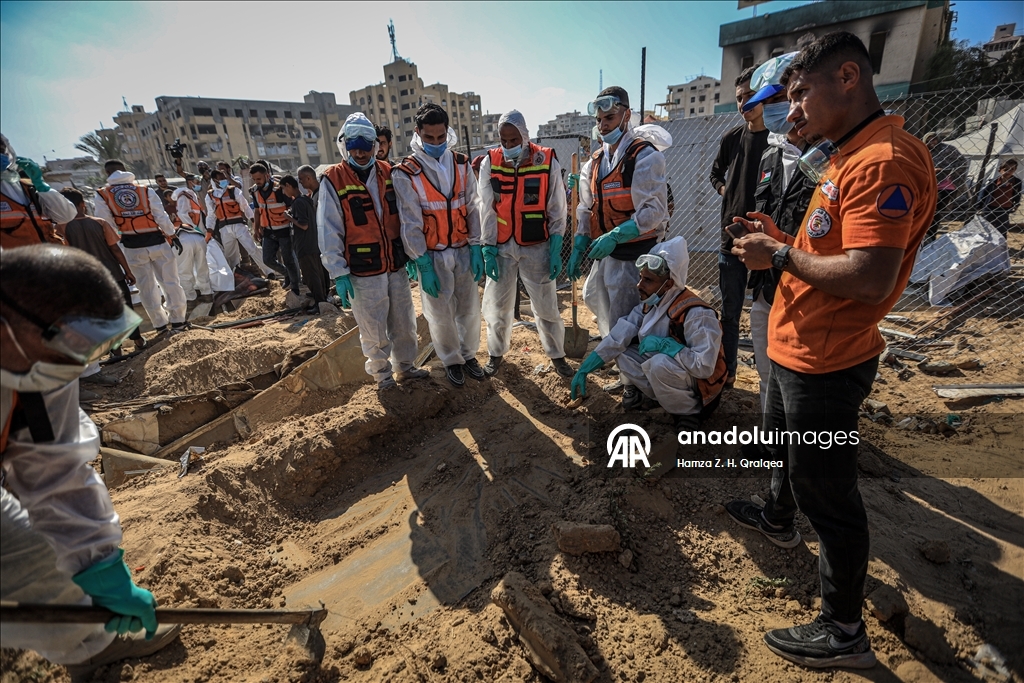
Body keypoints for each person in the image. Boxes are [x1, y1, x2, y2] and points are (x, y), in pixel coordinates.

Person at [727, 32, 937, 669]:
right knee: (785, 457)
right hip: (797, 347)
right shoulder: (848, 155)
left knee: (829, 492)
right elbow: (835, 250)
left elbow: (872, 275)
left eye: (800, 94)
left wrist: (781, 255)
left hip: (828, 360)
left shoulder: (882, 161)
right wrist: (783, 237)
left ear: (848, 78)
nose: (791, 111)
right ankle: (776, 515)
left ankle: (843, 629)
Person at [1, 245, 180, 677]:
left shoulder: (45, 358)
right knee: (14, 544)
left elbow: (54, 463)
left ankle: (87, 643)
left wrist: (97, 565)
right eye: (71, 345)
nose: (76, 361)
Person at [568, 86, 669, 400]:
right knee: (598, 302)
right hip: (610, 253)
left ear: (626, 115)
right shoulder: (596, 161)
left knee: (627, 319)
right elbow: (586, 208)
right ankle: (626, 368)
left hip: (635, 255)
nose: (603, 125)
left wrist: (614, 236)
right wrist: (578, 245)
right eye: (599, 120)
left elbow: (653, 212)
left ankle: (636, 387)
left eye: (609, 117)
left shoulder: (644, 155)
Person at [319, 113, 428, 389]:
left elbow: (404, 215)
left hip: (394, 263)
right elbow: (329, 229)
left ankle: (405, 367)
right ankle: (382, 376)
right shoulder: (333, 179)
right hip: (361, 270)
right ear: (344, 145)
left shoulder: (388, 172)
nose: (360, 151)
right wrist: (338, 273)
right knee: (373, 328)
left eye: (366, 145)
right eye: (354, 145)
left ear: (374, 145)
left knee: (404, 322)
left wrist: (412, 254)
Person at [569, 236, 726, 425]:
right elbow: (617, 338)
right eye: (641, 277)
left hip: (703, 389)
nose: (639, 285)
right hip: (676, 374)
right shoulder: (652, 304)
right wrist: (584, 370)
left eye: (648, 280)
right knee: (623, 353)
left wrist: (668, 347)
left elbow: (704, 367)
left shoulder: (696, 313)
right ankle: (664, 399)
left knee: (659, 364)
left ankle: (688, 413)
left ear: (668, 284)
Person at [738, 52, 816, 413]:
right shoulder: (771, 156)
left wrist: (777, 246)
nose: (770, 110)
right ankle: (772, 437)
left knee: (801, 382)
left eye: (775, 100)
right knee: (767, 371)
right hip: (768, 287)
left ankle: (793, 448)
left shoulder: (831, 159)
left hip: (808, 292)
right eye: (764, 102)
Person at [393, 103, 485, 387]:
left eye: (440, 137)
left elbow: (473, 206)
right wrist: (421, 261)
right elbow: (410, 221)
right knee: (440, 314)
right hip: (432, 255)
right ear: (418, 133)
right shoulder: (406, 172)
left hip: (461, 248)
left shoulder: (460, 163)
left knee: (469, 308)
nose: (435, 143)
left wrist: (477, 245)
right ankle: (452, 360)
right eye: (429, 138)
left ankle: (469, 354)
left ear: (447, 132)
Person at [477, 110, 572, 378]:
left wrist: (555, 247)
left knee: (546, 306)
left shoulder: (546, 159)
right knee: (497, 305)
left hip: (537, 245)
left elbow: (556, 206)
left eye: (513, 140)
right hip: (503, 246)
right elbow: (486, 207)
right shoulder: (490, 162)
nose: (508, 146)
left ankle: (557, 355)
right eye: (503, 140)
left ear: (524, 136)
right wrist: (487, 247)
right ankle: (496, 355)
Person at [708, 67, 770, 388]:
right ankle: (729, 372)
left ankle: (768, 380)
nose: (744, 102)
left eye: (750, 96)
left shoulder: (776, 144)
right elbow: (715, 174)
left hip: (764, 242)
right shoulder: (731, 139)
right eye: (739, 98)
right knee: (730, 313)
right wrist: (726, 191)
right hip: (730, 238)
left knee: (764, 312)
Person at [93, 160, 189, 334]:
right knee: (171, 282)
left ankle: (160, 326)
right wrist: (172, 234)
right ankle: (178, 322)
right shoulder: (145, 190)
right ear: (125, 170)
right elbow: (160, 216)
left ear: (108, 174)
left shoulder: (102, 195)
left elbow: (106, 223)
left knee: (146, 287)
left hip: (132, 246)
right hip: (157, 242)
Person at [59, 188, 147, 352]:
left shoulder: (62, 229)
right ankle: (138, 340)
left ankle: (115, 348)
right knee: (125, 307)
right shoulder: (100, 222)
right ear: (83, 204)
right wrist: (127, 271)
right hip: (113, 273)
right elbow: (115, 250)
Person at [0, 134, 77, 248]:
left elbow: (65, 216)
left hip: (55, 259)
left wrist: (41, 185)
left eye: (1, 150)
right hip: (19, 264)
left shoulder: (29, 186)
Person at [205, 169, 271, 277]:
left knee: (252, 248)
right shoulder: (210, 196)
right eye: (220, 179)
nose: (223, 181)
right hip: (224, 228)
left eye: (224, 178)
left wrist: (254, 222)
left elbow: (245, 207)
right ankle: (235, 276)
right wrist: (209, 230)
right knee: (230, 255)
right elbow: (211, 215)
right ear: (214, 180)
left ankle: (269, 272)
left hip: (239, 225)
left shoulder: (233, 191)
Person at [250, 162, 301, 295]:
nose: (257, 182)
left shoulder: (279, 190)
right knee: (267, 259)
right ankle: (287, 274)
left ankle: (295, 286)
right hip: (268, 230)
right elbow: (257, 211)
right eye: (254, 179)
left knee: (288, 258)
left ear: (267, 175)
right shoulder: (255, 191)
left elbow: (293, 205)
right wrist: (256, 228)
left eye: (259, 179)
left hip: (284, 229)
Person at [280, 174, 327, 308]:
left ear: (289, 185)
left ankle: (319, 303)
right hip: (311, 243)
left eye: (284, 189)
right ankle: (321, 299)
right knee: (315, 274)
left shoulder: (299, 202)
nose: (284, 192)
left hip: (305, 245)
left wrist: (289, 218)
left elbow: (304, 225)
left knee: (311, 275)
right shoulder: (304, 200)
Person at [171, 177, 212, 303]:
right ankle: (207, 294)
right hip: (199, 238)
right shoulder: (195, 202)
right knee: (202, 268)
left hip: (183, 237)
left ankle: (191, 298)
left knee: (184, 271)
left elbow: (183, 217)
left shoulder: (181, 201)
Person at [922, 132, 967, 241]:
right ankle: (922, 235)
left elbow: (962, 163)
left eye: (934, 139)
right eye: (929, 139)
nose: (932, 142)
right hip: (927, 184)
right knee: (924, 210)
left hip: (946, 185)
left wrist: (946, 170)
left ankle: (930, 238)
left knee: (935, 211)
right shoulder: (922, 150)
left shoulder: (948, 150)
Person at [978, 158, 1021, 236]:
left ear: (1015, 170)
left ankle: (1001, 246)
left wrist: (1016, 204)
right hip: (990, 207)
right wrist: (980, 205)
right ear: (1000, 170)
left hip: (1004, 209)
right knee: (986, 227)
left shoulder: (1016, 182)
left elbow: (1017, 194)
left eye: (1012, 169)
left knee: (1002, 229)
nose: (1008, 171)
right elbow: (984, 194)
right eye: (1006, 169)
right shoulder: (993, 181)